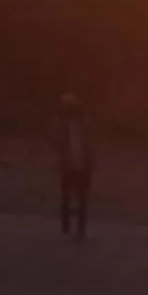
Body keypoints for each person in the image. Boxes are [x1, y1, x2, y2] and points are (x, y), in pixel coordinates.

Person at [55, 94, 93, 241]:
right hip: (69, 165)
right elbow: (56, 141)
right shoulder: (63, 126)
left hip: (81, 166)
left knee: (81, 199)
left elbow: (91, 145)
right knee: (68, 198)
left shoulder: (85, 125)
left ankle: (79, 229)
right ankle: (68, 227)